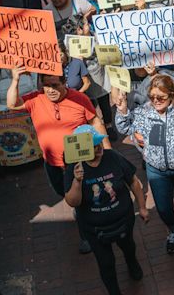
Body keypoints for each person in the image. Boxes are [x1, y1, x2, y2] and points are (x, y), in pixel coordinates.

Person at [6, 68, 110, 253]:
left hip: (79, 161)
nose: (50, 89)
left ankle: (87, 235)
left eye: (55, 85)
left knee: (81, 200)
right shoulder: (35, 99)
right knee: (62, 192)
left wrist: (108, 152)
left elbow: (95, 122)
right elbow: (12, 104)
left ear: (65, 84)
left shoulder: (79, 99)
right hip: (52, 163)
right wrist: (15, 80)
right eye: (46, 85)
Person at [115, 74, 174, 254]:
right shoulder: (144, 112)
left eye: (161, 97)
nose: (155, 101)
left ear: (172, 94)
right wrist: (122, 110)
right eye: (152, 97)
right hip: (156, 170)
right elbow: (125, 128)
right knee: (163, 207)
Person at [64, 125, 149, 295]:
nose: (99, 149)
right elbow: (73, 201)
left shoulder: (113, 157)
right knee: (106, 263)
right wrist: (77, 181)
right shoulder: (74, 168)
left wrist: (142, 207)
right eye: (94, 147)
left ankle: (132, 263)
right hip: (95, 230)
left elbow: (133, 181)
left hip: (123, 220)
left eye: (99, 144)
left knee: (128, 247)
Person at [61, 14, 117, 141]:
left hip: (99, 75)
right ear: (79, 29)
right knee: (89, 104)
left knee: (104, 102)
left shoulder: (95, 36)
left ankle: (108, 125)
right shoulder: (69, 42)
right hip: (83, 77)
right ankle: (95, 127)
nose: (88, 25)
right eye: (86, 24)